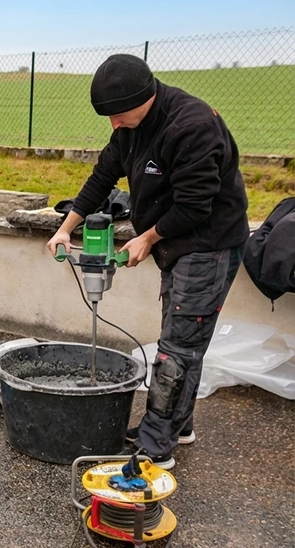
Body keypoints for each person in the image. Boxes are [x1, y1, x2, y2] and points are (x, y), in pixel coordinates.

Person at [46, 54, 248, 470]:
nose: (114, 124)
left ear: (146, 96)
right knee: (183, 341)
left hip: (208, 244)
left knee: (176, 348)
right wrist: (67, 226)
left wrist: (147, 238)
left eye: (119, 115)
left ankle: (156, 448)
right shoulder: (130, 128)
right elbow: (103, 176)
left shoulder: (191, 126)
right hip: (177, 245)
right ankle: (179, 425)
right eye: (109, 118)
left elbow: (195, 205)